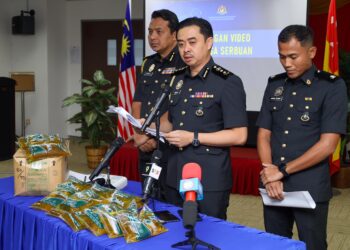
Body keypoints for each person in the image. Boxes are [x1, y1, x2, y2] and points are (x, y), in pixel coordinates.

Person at [256, 25, 348, 250]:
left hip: (309, 187)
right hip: (274, 186)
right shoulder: (275, 84)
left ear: (312, 52)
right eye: (282, 56)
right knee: (275, 245)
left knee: (313, 245)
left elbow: (328, 145)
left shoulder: (332, 86)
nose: (287, 63)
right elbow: (264, 134)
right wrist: (270, 172)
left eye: (293, 57)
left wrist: (282, 171)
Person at [160, 17, 248, 220]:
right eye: (181, 44)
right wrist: (145, 126)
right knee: (175, 233)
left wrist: (193, 137)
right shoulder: (177, 79)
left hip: (209, 177)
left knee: (209, 234)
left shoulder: (227, 82)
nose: (185, 49)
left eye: (192, 42)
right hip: (175, 171)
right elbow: (171, 123)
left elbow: (239, 136)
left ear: (209, 43)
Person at [132, 9, 184, 201]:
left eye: (159, 31)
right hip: (143, 143)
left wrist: (154, 136)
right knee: (148, 195)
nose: (152, 37)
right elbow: (138, 101)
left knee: (169, 200)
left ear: (174, 34)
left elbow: (177, 108)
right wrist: (139, 135)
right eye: (150, 31)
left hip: (168, 146)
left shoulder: (183, 63)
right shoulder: (148, 63)